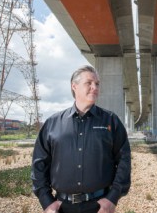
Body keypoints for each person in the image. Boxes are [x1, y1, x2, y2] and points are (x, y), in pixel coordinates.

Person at [31, 65, 131, 213]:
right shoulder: (53, 123)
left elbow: (124, 160)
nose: (94, 87)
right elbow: (39, 163)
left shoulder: (111, 121)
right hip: (62, 207)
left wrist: (112, 198)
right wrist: (46, 201)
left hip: (99, 207)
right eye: (89, 83)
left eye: (97, 84)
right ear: (74, 86)